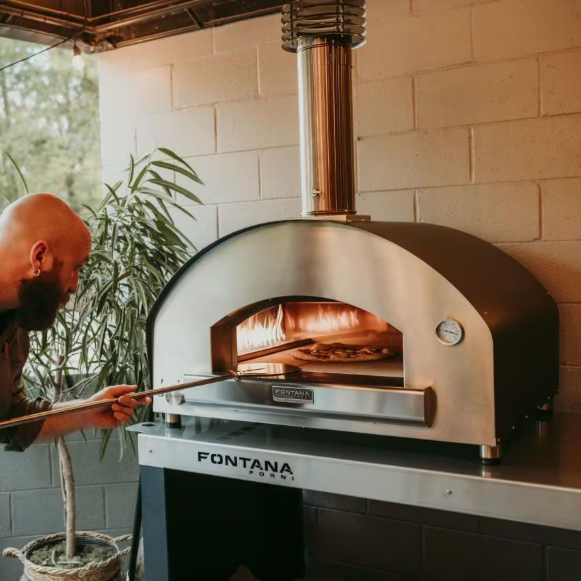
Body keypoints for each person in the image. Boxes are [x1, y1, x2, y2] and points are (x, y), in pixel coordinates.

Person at [0, 193, 151, 452]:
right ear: (39, 257)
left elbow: (11, 421)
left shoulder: (14, 323)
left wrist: (87, 411)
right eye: (75, 268)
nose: (74, 286)